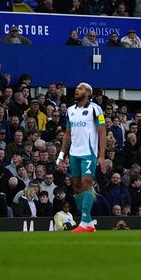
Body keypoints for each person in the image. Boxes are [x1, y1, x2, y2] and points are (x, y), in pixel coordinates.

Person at [57, 82, 107, 232]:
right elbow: (67, 134)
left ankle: (84, 222)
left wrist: (101, 156)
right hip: (74, 153)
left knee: (86, 183)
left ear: (89, 93)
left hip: (89, 152)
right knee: (77, 187)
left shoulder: (95, 109)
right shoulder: (70, 110)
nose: (77, 90)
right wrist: (61, 154)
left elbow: (102, 132)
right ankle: (90, 223)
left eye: (81, 88)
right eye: (77, 88)